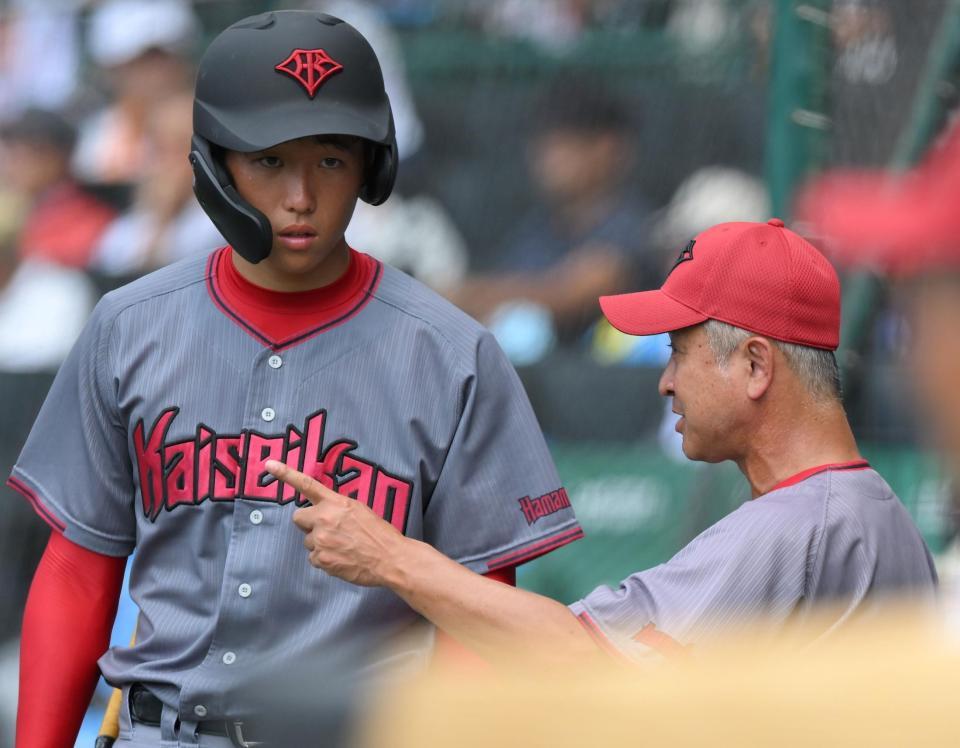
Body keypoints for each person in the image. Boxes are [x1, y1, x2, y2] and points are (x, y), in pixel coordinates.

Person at [9, 11, 581, 747]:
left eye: (332, 160)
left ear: (371, 167)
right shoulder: (128, 326)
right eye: (270, 161)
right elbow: (81, 568)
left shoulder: (453, 354)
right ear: (216, 163)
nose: (302, 196)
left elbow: (476, 606)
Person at [265, 218, 938, 666]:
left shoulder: (798, 526)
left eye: (680, 352)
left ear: (756, 366)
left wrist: (388, 557)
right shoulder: (883, 515)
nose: (665, 383)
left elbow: (579, 658)